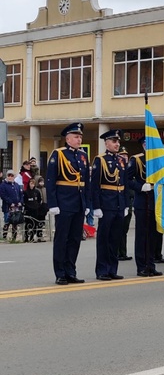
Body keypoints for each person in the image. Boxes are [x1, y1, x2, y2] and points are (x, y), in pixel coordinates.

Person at [46, 122, 90, 284]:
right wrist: (52, 204)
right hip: (64, 203)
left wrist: (87, 204)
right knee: (62, 239)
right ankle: (60, 273)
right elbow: (50, 180)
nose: (79, 140)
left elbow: (86, 182)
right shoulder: (58, 154)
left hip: (78, 203)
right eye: (76, 137)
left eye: (80, 137)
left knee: (75, 239)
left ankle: (71, 271)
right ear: (68, 139)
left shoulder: (83, 155)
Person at [91, 129, 127, 280]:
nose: (117, 144)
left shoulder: (121, 160)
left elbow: (124, 184)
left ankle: (112, 269)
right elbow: (95, 185)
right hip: (106, 204)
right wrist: (96, 206)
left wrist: (125, 204)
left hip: (118, 204)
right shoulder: (100, 160)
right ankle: (102, 270)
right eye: (114, 141)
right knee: (104, 239)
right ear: (106, 143)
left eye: (118, 141)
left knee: (115, 238)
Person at [127, 136, 163, 277]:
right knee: (142, 236)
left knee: (153, 236)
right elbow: (128, 179)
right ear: (144, 145)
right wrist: (141, 186)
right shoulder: (136, 160)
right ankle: (141, 266)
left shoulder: (159, 161)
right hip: (142, 202)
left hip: (156, 202)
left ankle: (151, 265)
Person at [117, 146, 134, 262]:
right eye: (122, 155)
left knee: (125, 229)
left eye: (126, 156)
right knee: (119, 229)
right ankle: (118, 252)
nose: (124, 157)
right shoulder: (119, 169)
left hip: (129, 201)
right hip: (120, 201)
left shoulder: (130, 169)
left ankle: (123, 252)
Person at [0, 170, 23, 241]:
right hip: (8, 207)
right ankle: (4, 237)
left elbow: (20, 194)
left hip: (16, 207)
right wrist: (10, 202)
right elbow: (3, 195)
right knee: (7, 221)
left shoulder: (16, 185)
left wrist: (20, 202)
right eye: (9, 176)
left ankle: (14, 237)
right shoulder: (3, 185)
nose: (10, 177)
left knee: (15, 222)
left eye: (12, 176)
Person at [23, 177, 42, 242]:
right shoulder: (26, 192)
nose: (32, 185)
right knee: (28, 223)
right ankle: (26, 237)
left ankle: (32, 236)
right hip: (28, 210)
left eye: (33, 184)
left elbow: (39, 200)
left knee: (35, 223)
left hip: (35, 209)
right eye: (31, 183)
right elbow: (24, 201)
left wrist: (37, 206)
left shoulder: (37, 191)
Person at [35, 175, 48, 241]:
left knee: (42, 222)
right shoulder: (36, 190)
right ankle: (36, 236)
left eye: (42, 182)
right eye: (40, 182)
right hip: (38, 207)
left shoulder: (45, 189)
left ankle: (40, 235)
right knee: (37, 222)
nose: (41, 183)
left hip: (44, 207)